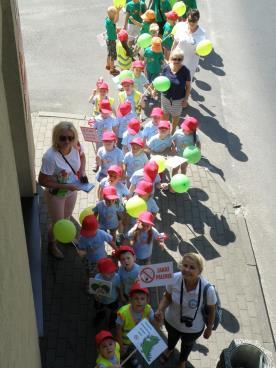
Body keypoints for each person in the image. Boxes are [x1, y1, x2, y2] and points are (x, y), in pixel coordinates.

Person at [155, 253, 217, 368]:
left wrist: (209, 328)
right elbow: (167, 297)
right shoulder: (174, 278)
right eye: (185, 265)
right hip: (171, 321)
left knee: (187, 345)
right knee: (171, 338)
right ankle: (170, 349)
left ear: (200, 271)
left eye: (192, 267)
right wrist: (160, 309)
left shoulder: (207, 289)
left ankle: (182, 360)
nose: (187, 270)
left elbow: (212, 310)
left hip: (193, 328)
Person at [38, 121, 87, 259]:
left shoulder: (76, 146)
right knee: (58, 223)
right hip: (56, 195)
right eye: (63, 138)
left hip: (71, 191)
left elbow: (82, 156)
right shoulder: (50, 157)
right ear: (56, 137)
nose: (67, 141)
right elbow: (42, 181)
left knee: (67, 217)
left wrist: (82, 171)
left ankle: (67, 237)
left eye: (70, 138)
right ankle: (52, 245)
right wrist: (66, 186)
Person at [116, 282, 156, 365]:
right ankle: (122, 359)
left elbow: (155, 324)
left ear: (147, 300)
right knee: (123, 351)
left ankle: (132, 358)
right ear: (130, 300)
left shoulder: (148, 310)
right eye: (136, 298)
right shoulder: (123, 313)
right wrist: (120, 343)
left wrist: (159, 319)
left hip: (138, 341)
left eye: (142, 298)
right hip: (125, 341)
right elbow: (118, 329)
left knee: (133, 351)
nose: (139, 301)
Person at [77, 215, 117, 282]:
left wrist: (117, 250)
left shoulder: (101, 234)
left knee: (104, 273)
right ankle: (91, 283)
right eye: (87, 232)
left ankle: (102, 283)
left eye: (90, 232)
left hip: (103, 259)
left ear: (97, 228)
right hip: (90, 260)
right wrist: (82, 252)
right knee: (91, 274)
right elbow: (81, 249)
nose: (88, 235)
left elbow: (110, 241)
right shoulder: (83, 238)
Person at [160, 49, 191, 133]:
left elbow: (188, 87)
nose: (176, 61)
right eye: (174, 58)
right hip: (165, 98)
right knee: (165, 117)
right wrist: (155, 89)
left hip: (178, 100)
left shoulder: (185, 71)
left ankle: (173, 131)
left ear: (182, 59)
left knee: (175, 117)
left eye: (179, 59)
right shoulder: (166, 68)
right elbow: (160, 81)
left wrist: (185, 99)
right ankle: (164, 131)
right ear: (171, 58)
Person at [172, 9, 206, 80]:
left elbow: (203, 50)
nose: (191, 23)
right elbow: (175, 43)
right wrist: (170, 59)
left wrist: (199, 52)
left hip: (190, 65)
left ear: (198, 20)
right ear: (187, 18)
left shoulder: (202, 33)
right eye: (190, 20)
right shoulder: (181, 27)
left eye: (194, 21)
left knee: (186, 85)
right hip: (177, 62)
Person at [94, 258, 121, 328]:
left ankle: (112, 320)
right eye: (108, 272)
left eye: (113, 271)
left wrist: (121, 296)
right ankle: (100, 315)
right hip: (101, 300)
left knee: (114, 311)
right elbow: (95, 291)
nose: (112, 274)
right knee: (99, 309)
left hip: (113, 299)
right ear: (101, 273)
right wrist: (96, 297)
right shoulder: (97, 278)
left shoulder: (117, 277)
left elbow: (119, 287)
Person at [105, 6, 121, 76]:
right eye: (115, 14)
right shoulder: (111, 22)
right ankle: (112, 69)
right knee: (113, 55)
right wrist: (118, 12)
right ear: (113, 15)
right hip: (112, 40)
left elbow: (113, 24)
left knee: (109, 53)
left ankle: (108, 65)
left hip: (108, 39)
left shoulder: (107, 20)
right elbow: (116, 20)